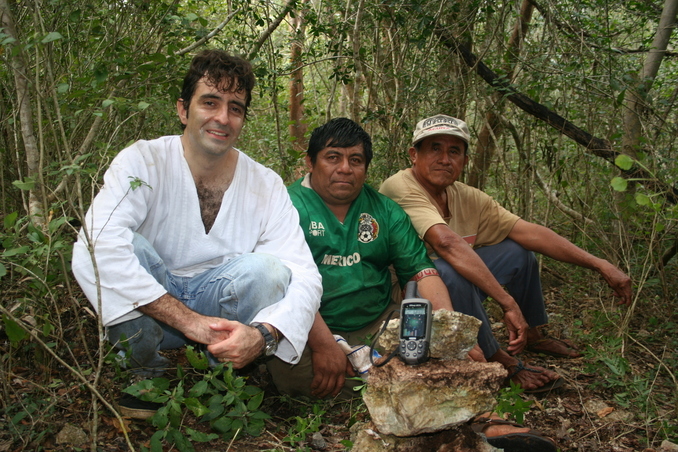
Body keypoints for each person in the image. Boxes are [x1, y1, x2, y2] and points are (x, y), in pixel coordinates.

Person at [71, 50, 322, 416]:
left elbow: (305, 275)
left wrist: (264, 335)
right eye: (210, 102)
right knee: (121, 244)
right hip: (149, 311)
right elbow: (95, 245)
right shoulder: (143, 161)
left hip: (219, 311)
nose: (223, 117)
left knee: (270, 271)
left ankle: (224, 378)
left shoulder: (264, 183)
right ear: (183, 110)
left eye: (235, 108)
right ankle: (144, 375)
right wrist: (190, 323)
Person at [380, 114, 632, 393]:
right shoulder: (400, 187)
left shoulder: (468, 197)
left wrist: (599, 264)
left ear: (464, 160)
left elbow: (528, 232)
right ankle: (498, 359)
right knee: (448, 269)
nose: (444, 158)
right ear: (414, 155)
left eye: (454, 151)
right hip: (409, 296)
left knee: (518, 251)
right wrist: (507, 303)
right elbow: (446, 243)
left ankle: (532, 334)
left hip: (453, 288)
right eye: (434, 148)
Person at [266, 117, 477, 400]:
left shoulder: (385, 210)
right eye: (332, 158)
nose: (345, 169)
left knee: (428, 348)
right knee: (296, 375)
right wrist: (325, 345)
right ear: (310, 162)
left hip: (378, 322)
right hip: (309, 326)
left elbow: (420, 271)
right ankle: (393, 381)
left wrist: (450, 331)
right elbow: (279, 286)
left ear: (365, 168)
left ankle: (388, 379)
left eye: (356, 160)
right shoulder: (287, 206)